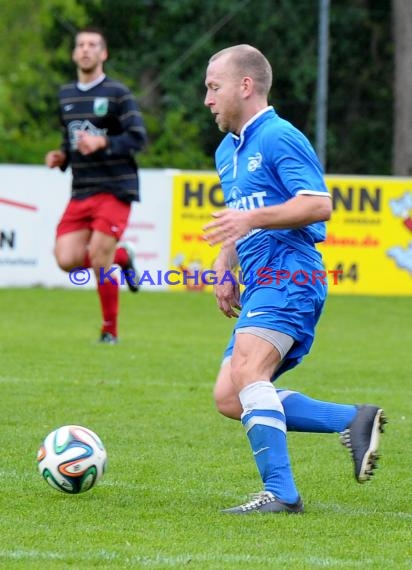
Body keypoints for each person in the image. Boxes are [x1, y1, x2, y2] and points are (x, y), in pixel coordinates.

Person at [203, 44, 386, 514]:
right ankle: (351, 419)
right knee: (229, 396)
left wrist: (251, 223)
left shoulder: (279, 136)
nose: (207, 99)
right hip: (262, 276)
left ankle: (281, 493)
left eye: (213, 87)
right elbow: (242, 216)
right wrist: (225, 262)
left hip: (290, 271)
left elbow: (318, 204)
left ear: (245, 86)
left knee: (248, 374)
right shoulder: (229, 149)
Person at [45, 26, 147, 344]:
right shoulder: (66, 95)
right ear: (75, 53)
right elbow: (70, 139)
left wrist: (102, 142)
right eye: (80, 45)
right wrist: (61, 157)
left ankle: (109, 331)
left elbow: (138, 137)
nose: (86, 49)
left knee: (99, 258)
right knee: (66, 259)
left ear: (103, 54)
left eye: (92, 45)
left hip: (116, 188)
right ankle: (123, 257)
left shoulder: (118, 93)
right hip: (81, 190)